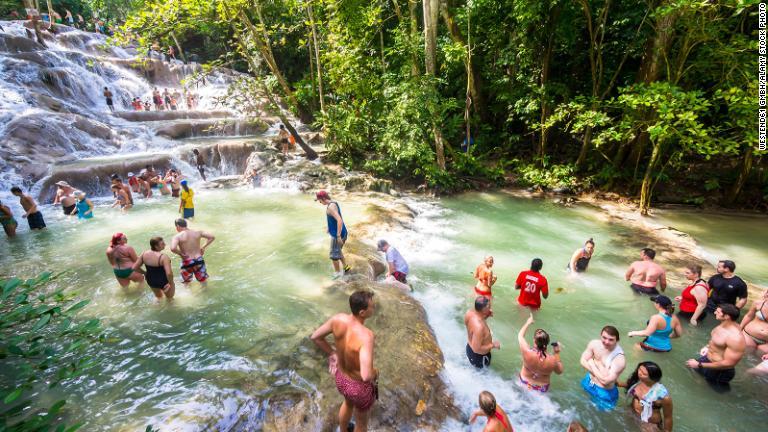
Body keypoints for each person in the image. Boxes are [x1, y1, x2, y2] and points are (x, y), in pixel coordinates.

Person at [310, 290, 378, 432]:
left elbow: (315, 337)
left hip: (341, 378)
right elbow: (366, 376)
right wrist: (376, 372)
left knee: (347, 403)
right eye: (372, 306)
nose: (374, 308)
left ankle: (343, 430)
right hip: (358, 387)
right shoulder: (366, 336)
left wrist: (333, 353)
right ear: (362, 313)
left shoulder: (338, 319)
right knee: (361, 423)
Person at [685, 303, 746, 388]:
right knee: (688, 366)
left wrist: (699, 365)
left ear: (727, 316)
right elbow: (718, 340)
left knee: (708, 390)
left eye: (718, 312)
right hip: (707, 359)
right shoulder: (723, 324)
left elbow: (729, 364)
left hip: (720, 371)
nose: (714, 313)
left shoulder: (736, 338)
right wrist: (707, 346)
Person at [579, 326, 626, 411]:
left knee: (600, 416)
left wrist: (592, 364)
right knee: (583, 407)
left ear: (617, 340)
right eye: (604, 338)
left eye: (611, 339)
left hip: (604, 392)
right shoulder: (594, 344)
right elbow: (582, 360)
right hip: (589, 381)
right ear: (600, 335)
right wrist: (598, 373)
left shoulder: (619, 359)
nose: (606, 342)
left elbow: (605, 381)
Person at [618, 361, 673, 432]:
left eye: (644, 373)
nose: (639, 373)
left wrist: (667, 430)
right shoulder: (638, 381)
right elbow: (629, 385)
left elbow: (668, 418)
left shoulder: (663, 396)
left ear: (653, 378)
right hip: (632, 412)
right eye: (639, 370)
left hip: (649, 424)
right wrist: (616, 383)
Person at [517, 314, 563, 392]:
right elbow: (560, 371)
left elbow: (520, 336)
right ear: (547, 343)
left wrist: (528, 322)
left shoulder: (527, 351)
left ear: (534, 340)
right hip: (540, 389)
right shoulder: (553, 360)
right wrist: (557, 353)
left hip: (524, 383)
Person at [316, 190, 350, 279]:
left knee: (333, 256)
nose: (319, 202)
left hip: (337, 235)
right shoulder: (334, 203)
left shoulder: (330, 208)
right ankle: (346, 267)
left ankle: (337, 274)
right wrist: (329, 227)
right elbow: (334, 219)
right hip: (343, 232)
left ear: (323, 198)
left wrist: (338, 235)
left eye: (319, 200)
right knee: (338, 251)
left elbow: (339, 220)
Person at [170, 218, 214, 287]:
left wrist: (181, 254)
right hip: (199, 259)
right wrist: (203, 247)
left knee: (186, 283)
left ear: (178, 226)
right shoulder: (198, 232)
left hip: (187, 261)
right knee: (203, 282)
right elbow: (212, 237)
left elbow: (173, 248)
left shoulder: (177, 236)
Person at [133, 237, 175, 301]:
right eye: (162, 244)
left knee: (159, 298)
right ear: (156, 246)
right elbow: (169, 273)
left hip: (151, 280)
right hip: (163, 281)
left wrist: (145, 273)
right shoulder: (164, 257)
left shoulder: (144, 254)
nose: (165, 244)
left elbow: (134, 268)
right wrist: (171, 283)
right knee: (170, 299)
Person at [464, 296, 501, 368]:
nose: (491, 309)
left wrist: (486, 316)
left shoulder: (469, 313)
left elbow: (472, 328)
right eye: (489, 307)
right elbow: (476, 349)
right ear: (484, 310)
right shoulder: (479, 328)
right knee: (481, 374)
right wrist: (493, 345)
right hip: (479, 358)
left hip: (469, 348)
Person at [740, 288, 768, 355]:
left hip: (766, 343)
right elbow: (749, 316)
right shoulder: (759, 303)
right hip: (749, 336)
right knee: (742, 357)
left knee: (759, 362)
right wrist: (739, 329)